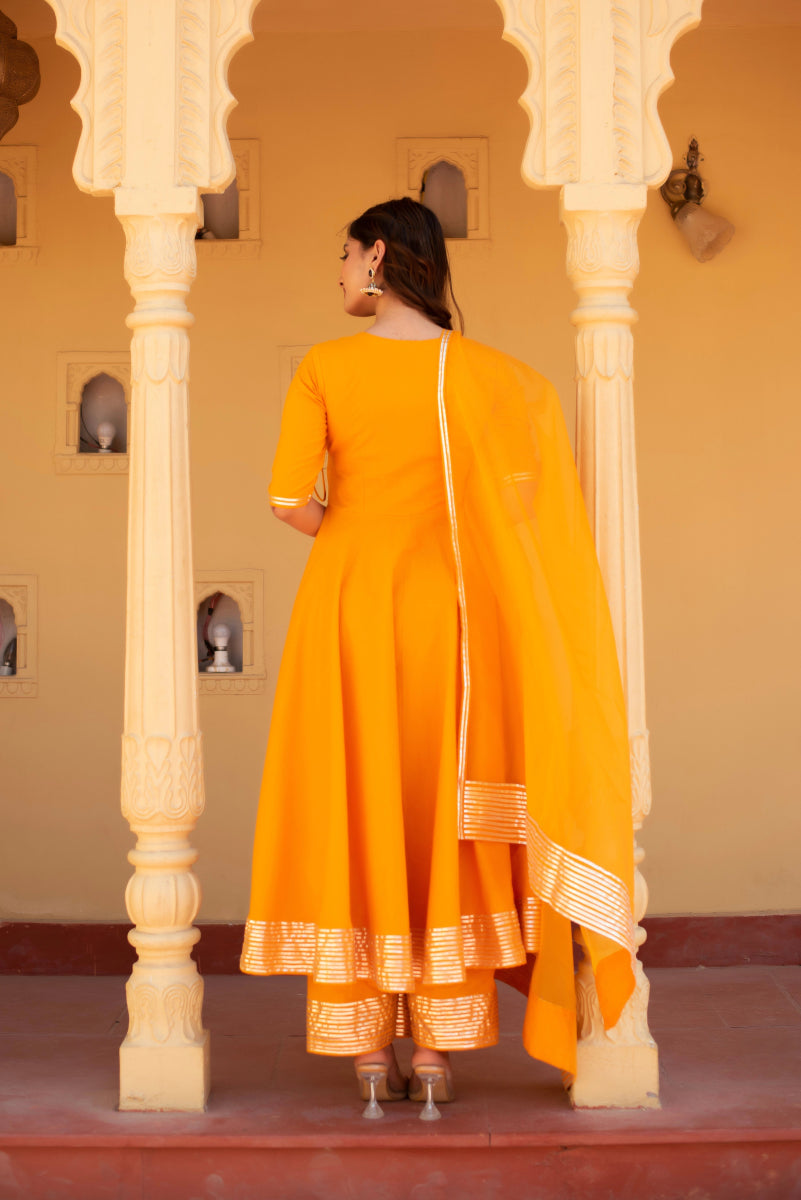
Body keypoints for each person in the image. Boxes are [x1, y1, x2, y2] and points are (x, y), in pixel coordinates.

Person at [241, 198, 636, 1116]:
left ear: (377, 256)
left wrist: (353, 530)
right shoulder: (500, 380)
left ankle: (367, 1048)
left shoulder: (325, 368)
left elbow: (287, 500)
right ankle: (437, 1051)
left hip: (349, 610)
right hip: (453, 623)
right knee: (435, 814)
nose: (337, 272)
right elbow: (525, 516)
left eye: (342, 255)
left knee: (362, 801)